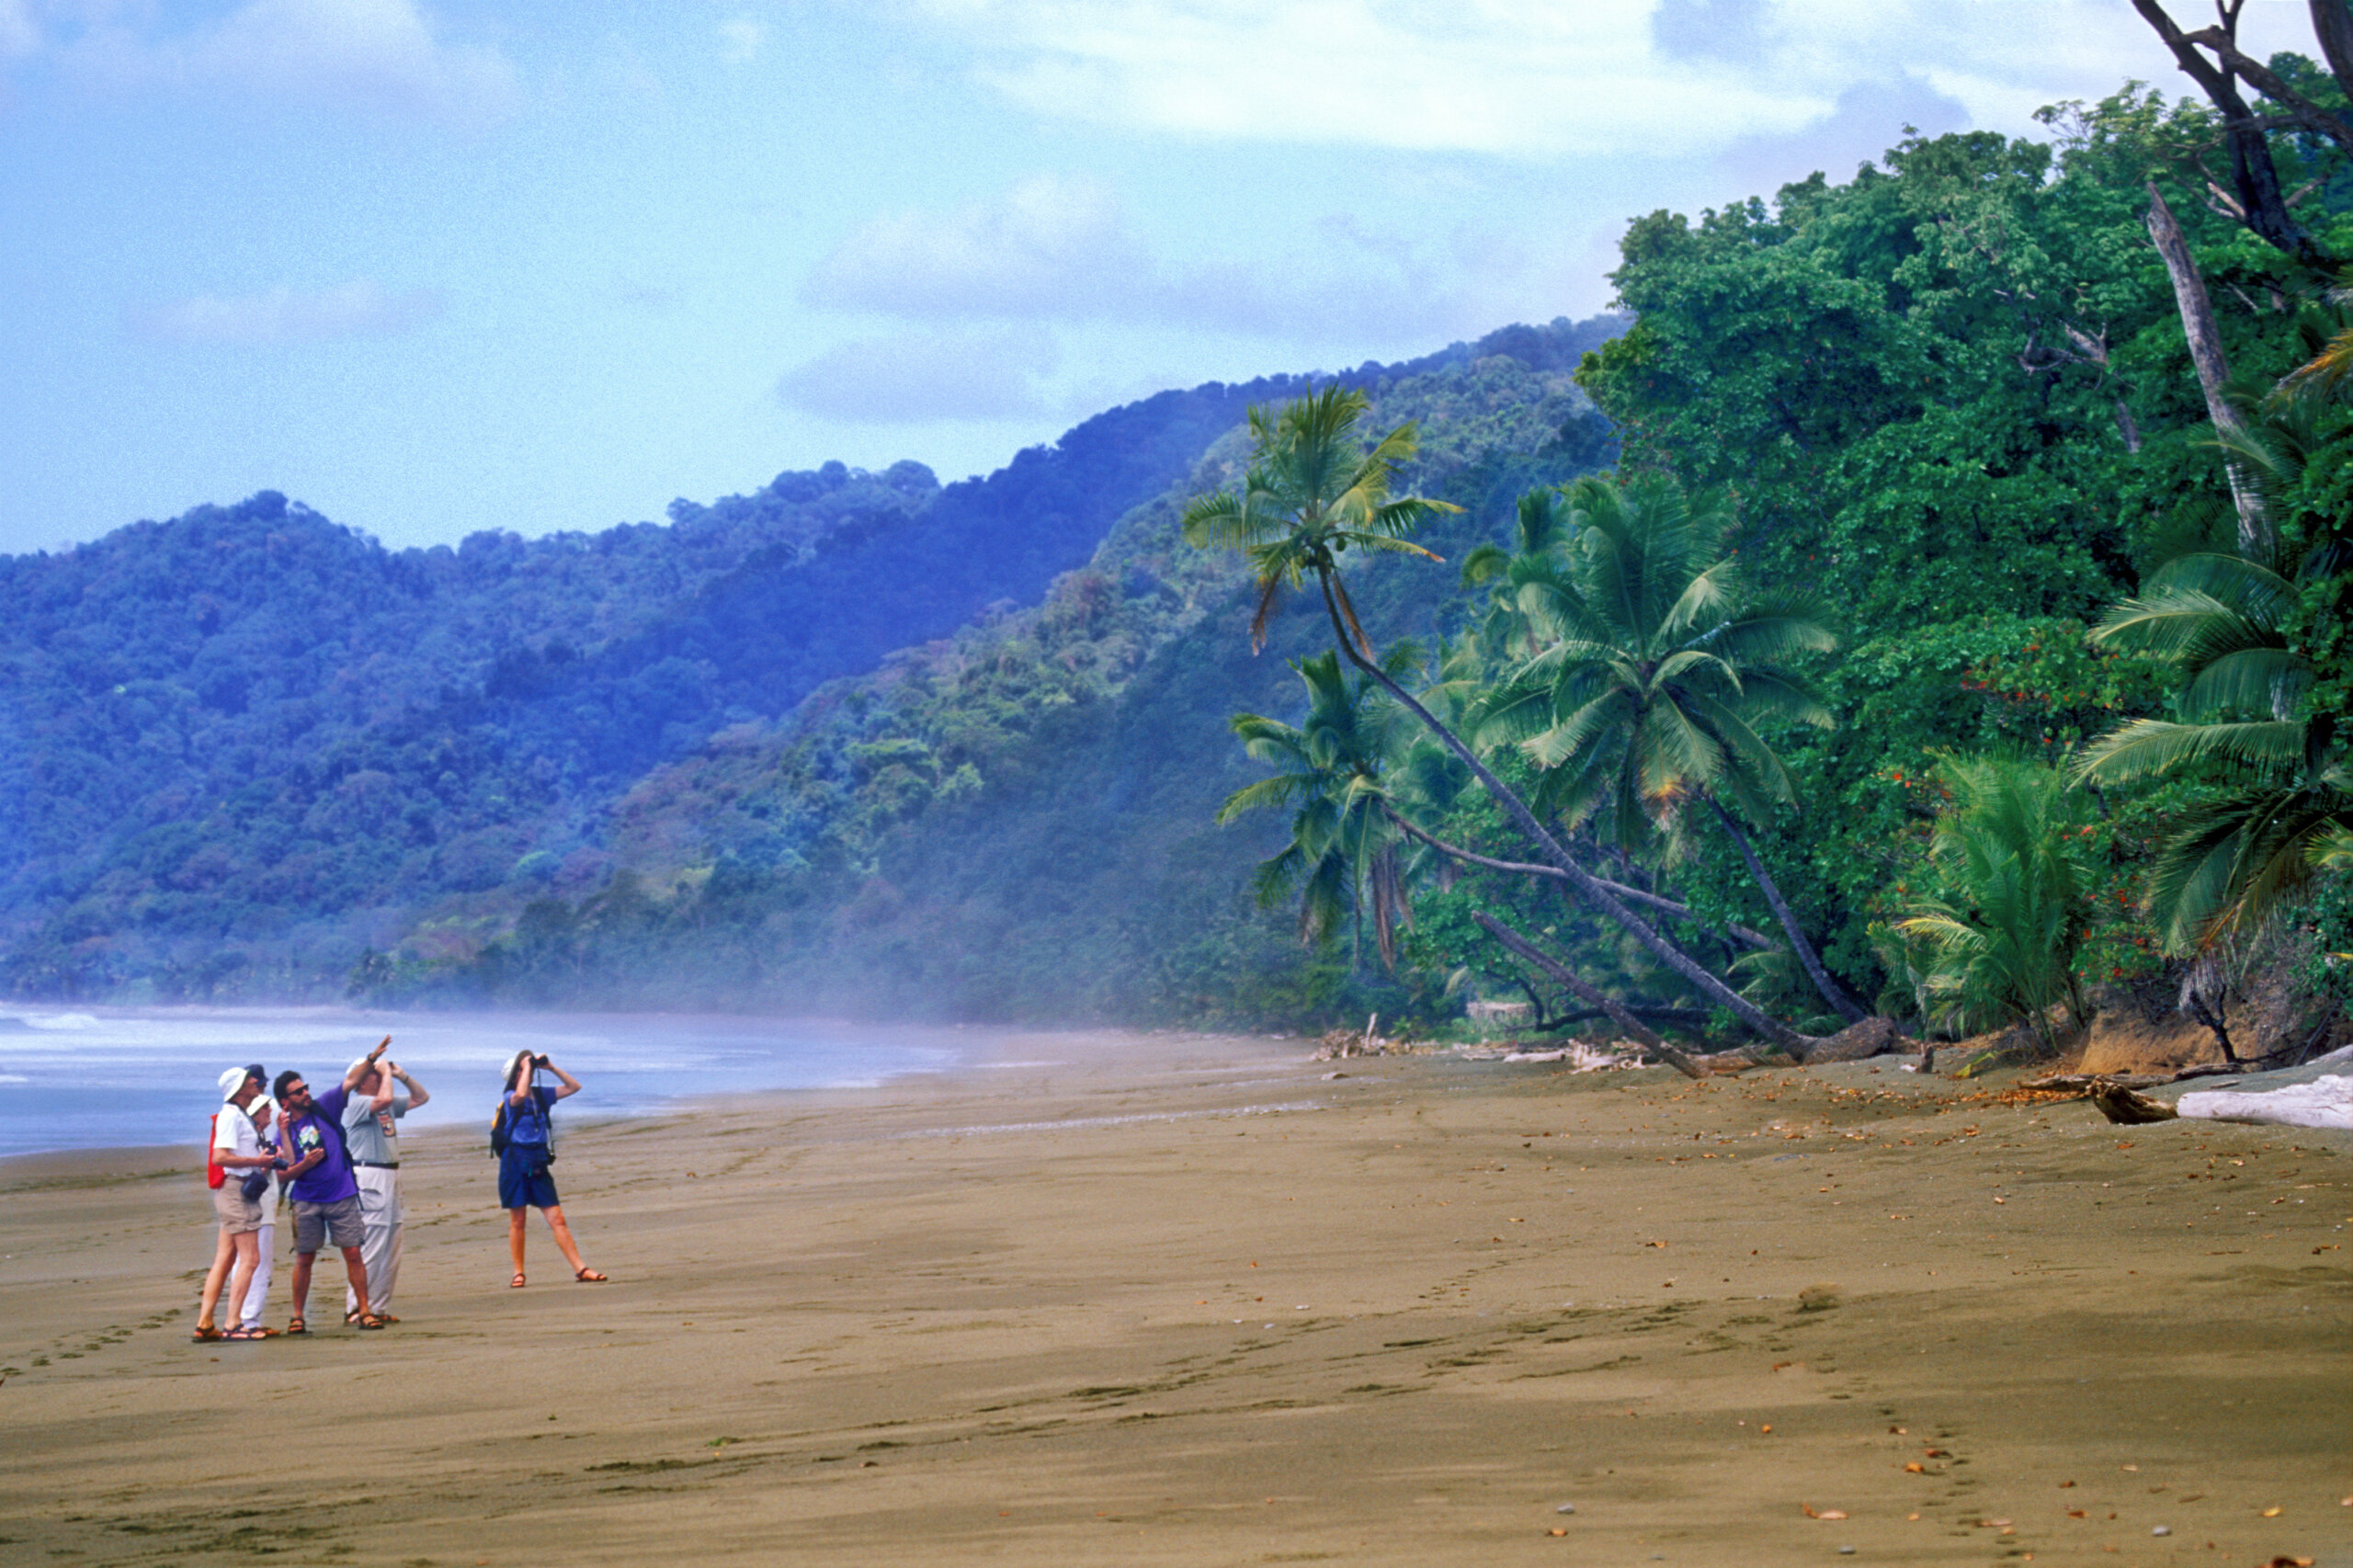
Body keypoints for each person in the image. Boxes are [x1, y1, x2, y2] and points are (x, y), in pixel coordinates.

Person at [314, 1037, 426, 1324]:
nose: (379, 1078)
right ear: (364, 1080)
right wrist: (386, 1073)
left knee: (391, 1243)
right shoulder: (357, 1105)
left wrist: (400, 1074)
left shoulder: (382, 1104)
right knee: (373, 1241)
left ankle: (377, 1306)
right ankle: (356, 1307)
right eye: (374, 1075)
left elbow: (420, 1098)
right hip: (370, 1172)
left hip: (390, 1172)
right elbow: (385, 1099)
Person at [272, 1068, 383, 1333]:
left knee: (353, 1252)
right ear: (285, 1101)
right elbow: (283, 1173)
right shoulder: (283, 1131)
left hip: (341, 1194)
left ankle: (364, 1310)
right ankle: (297, 1316)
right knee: (304, 1258)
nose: (305, 1093)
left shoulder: (324, 1108)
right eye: (298, 1091)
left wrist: (371, 1060)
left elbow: (350, 1082)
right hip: (306, 1200)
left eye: (305, 1087)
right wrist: (305, 1164)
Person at [498, 1051, 607, 1288]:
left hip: (536, 1160)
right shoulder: (509, 1096)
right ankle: (519, 1272)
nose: (525, 1070)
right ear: (513, 1075)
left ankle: (581, 1269)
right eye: (519, 1069)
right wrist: (526, 1066)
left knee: (557, 1218)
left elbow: (573, 1087)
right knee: (518, 1220)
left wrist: (551, 1068)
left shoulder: (541, 1095)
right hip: (514, 1161)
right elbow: (519, 1094)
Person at [195, 1066, 278, 1342]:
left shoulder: (236, 1114)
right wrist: (258, 1161)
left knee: (225, 1258)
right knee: (251, 1259)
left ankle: (206, 1323)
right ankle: (233, 1323)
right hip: (236, 1191)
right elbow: (220, 1157)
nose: (255, 1082)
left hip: (234, 1191)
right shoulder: (231, 1116)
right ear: (240, 1088)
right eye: (249, 1080)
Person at [235, 1070, 279, 1337]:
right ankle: (247, 1320)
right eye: (265, 1109)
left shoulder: (256, 1139)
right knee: (257, 1263)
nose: (269, 1113)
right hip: (257, 1206)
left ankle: (244, 1318)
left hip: (258, 1205)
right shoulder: (253, 1141)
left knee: (246, 1262)